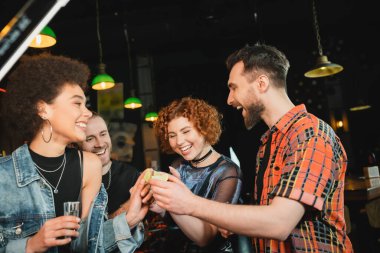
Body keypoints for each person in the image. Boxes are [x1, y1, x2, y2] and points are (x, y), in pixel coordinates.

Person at [150, 44, 353, 252]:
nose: (230, 100)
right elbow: (268, 216)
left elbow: (279, 223)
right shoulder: (270, 143)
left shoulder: (310, 134)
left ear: (262, 83)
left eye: (234, 87)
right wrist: (232, 222)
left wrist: (189, 203)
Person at [0, 53, 150, 253]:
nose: (87, 113)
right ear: (43, 109)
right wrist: (30, 245)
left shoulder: (89, 165)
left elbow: (90, 245)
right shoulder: (4, 175)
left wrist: (129, 218)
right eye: (77, 103)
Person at [151, 96, 243, 252]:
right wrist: (161, 209)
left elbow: (206, 239)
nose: (179, 141)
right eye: (172, 135)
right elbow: (177, 223)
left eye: (186, 131)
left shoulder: (228, 171)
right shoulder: (177, 165)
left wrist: (171, 202)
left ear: (204, 128)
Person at [78, 112, 140, 218]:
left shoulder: (131, 175)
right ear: (76, 145)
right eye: (90, 139)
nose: (100, 144)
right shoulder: (71, 180)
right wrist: (128, 205)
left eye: (103, 134)